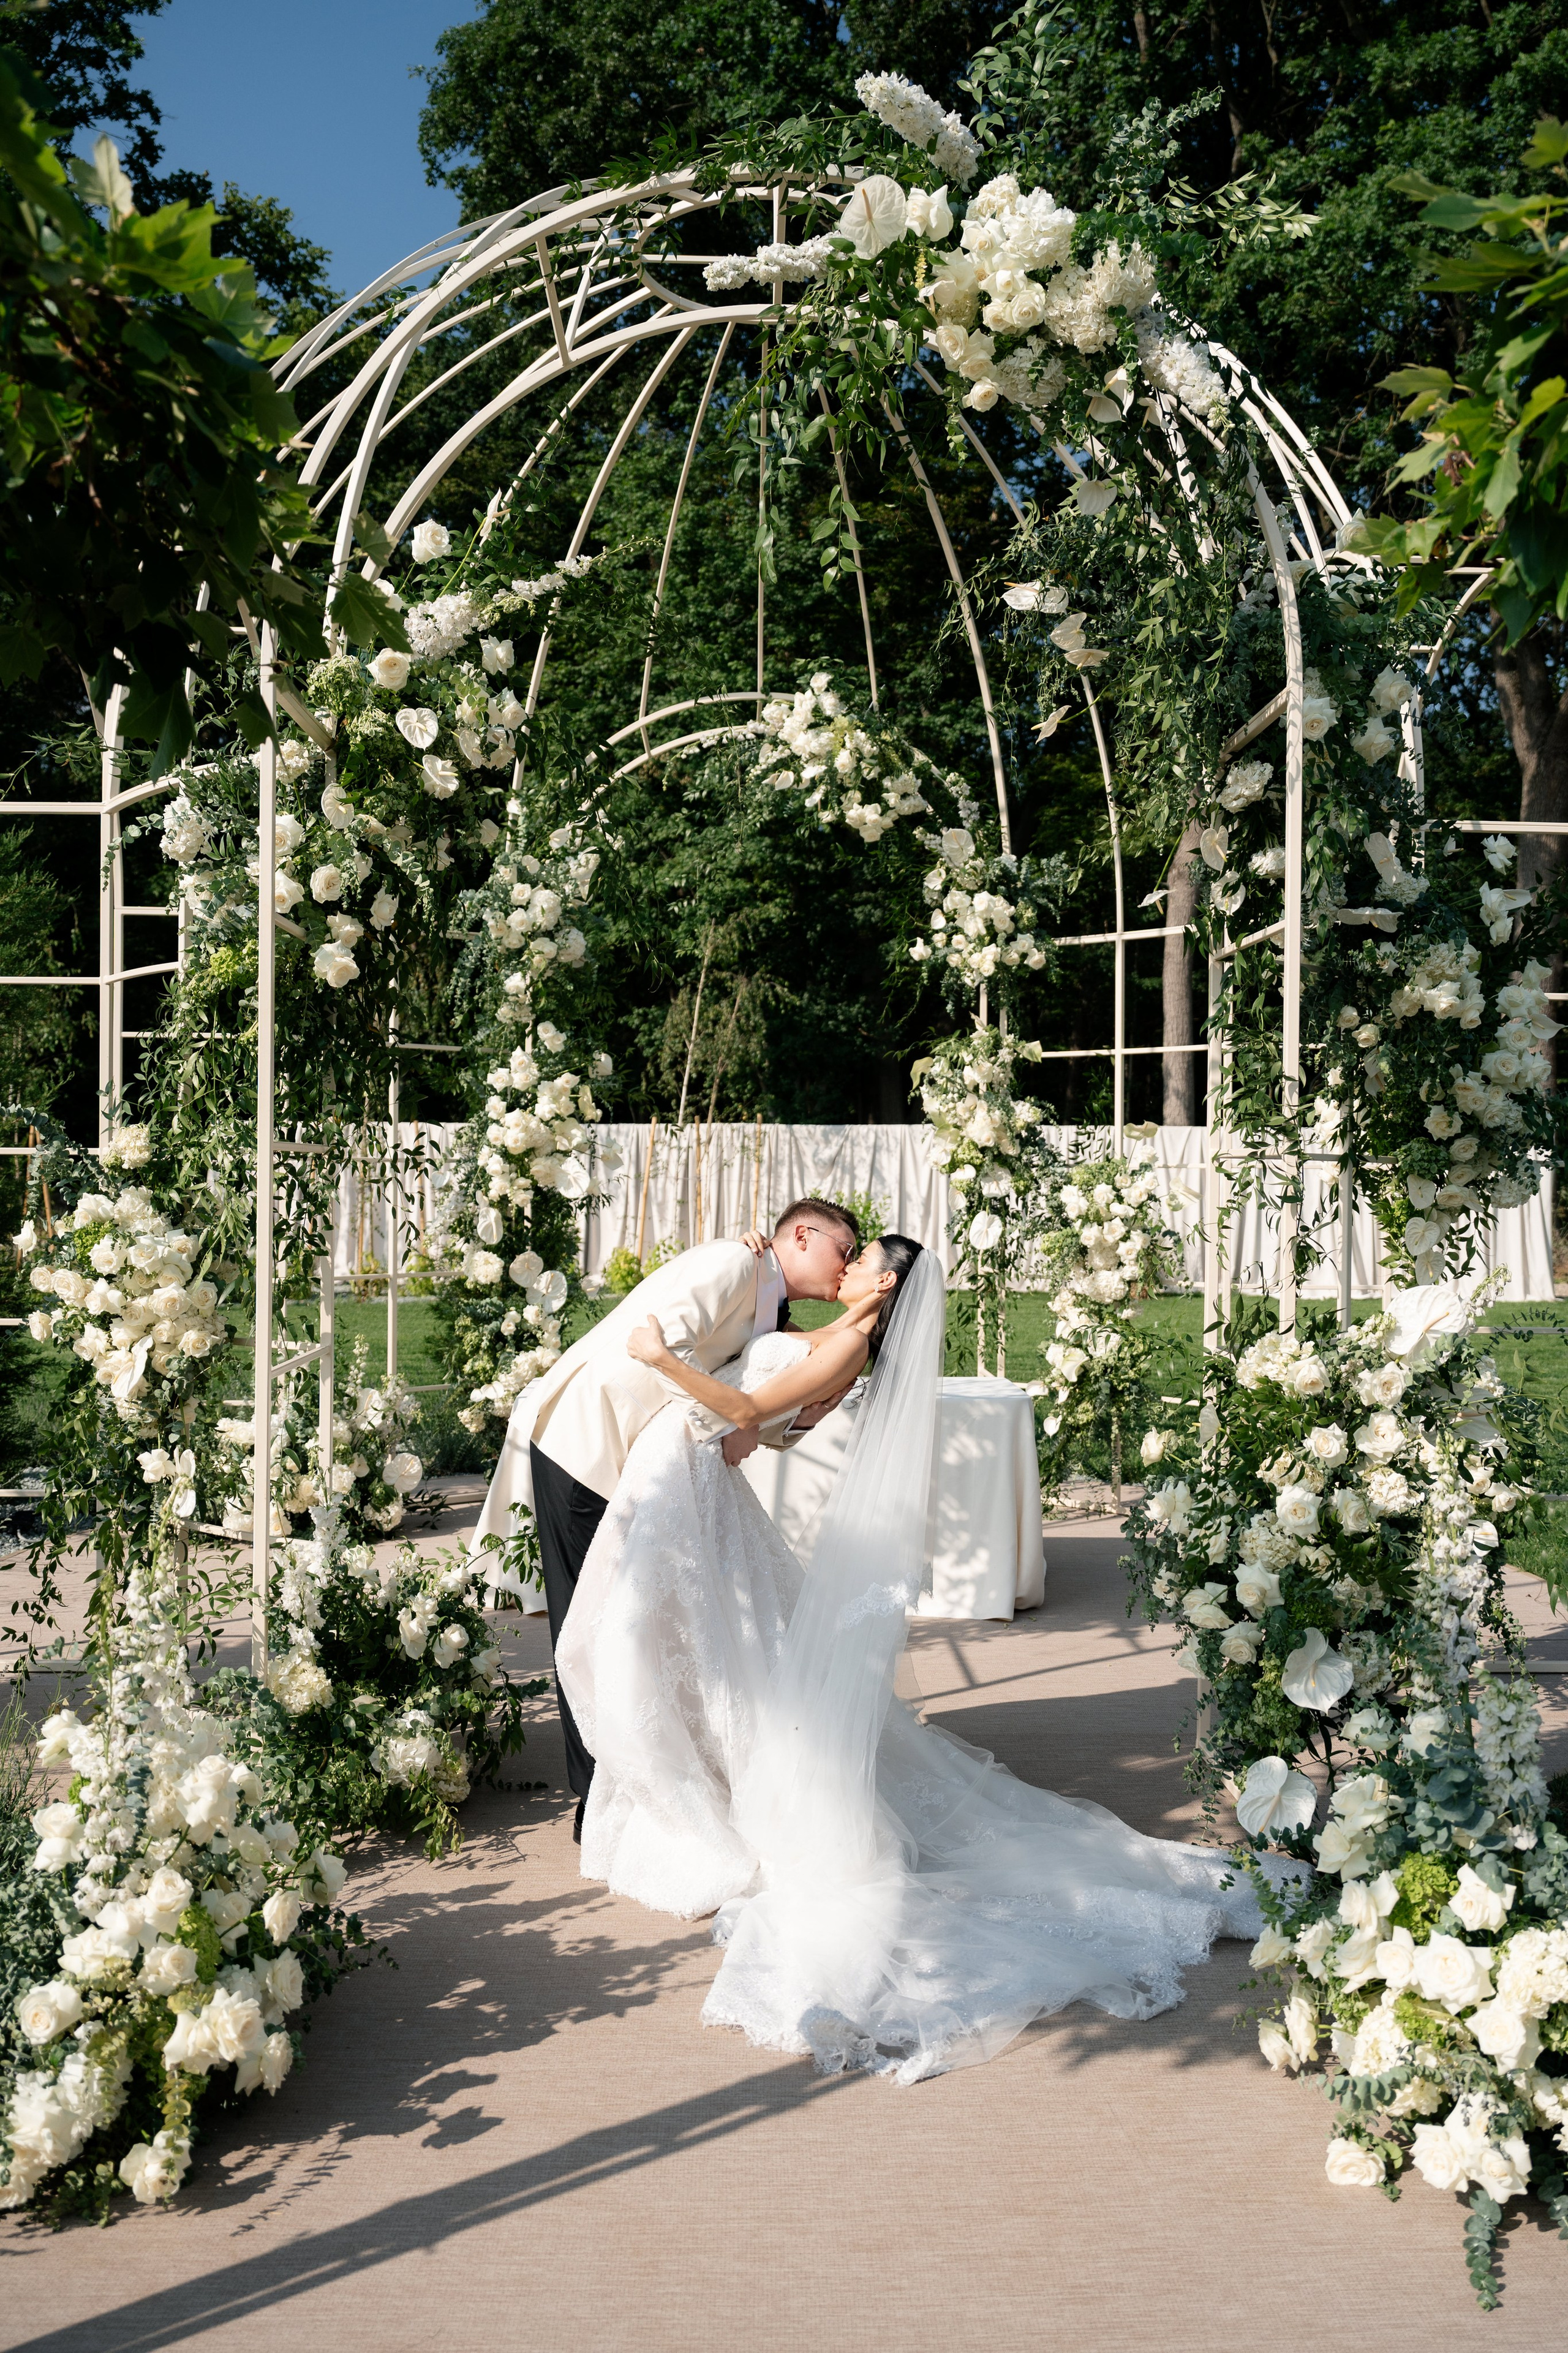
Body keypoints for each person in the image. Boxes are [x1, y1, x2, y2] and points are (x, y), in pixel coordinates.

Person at [556, 1231, 1296, 2083]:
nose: (846, 1264)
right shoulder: (839, 1341)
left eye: (861, 1256)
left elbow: (751, 1414)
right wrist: (744, 1419)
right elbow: (777, 1430)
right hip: (693, 1484)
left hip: (693, 1479)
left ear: (886, 1281)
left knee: (662, 1646)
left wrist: (659, 1358)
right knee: (688, 1649)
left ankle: (694, 1797)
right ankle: (690, 1783)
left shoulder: (847, 1342)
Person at [469, 1199, 860, 1839]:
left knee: (636, 1621)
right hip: (588, 1440)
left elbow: (751, 1388)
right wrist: (728, 1418)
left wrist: (757, 1419)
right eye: (843, 1251)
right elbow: (660, 1344)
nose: (845, 1268)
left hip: (645, 1465)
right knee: (588, 1622)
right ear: (802, 1234)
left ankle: (639, 1774)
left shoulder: (768, 1297)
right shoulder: (738, 1263)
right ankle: (594, 1796)